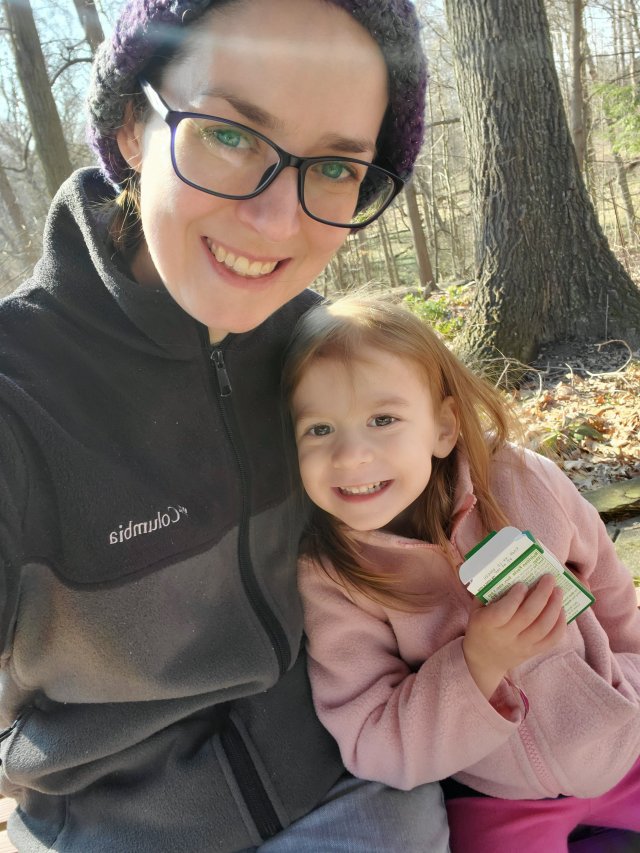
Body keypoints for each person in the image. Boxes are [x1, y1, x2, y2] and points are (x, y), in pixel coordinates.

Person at [0, 2, 452, 850]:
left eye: (334, 168)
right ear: (134, 125)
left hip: (359, 788)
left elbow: (478, 505)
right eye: (231, 136)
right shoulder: (18, 396)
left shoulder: (323, 355)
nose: (278, 222)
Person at [283, 294, 640, 853]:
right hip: (496, 802)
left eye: (383, 419)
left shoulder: (524, 480)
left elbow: (614, 597)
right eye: (320, 429)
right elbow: (373, 740)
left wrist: (628, 688)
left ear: (444, 426)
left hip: (625, 746)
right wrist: (477, 665)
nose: (351, 455)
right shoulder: (334, 577)